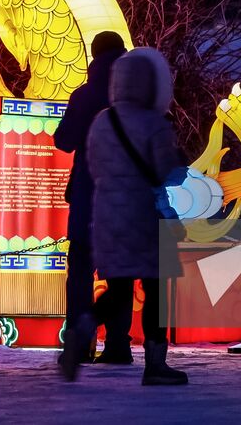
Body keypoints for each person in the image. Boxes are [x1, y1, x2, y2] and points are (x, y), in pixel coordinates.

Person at [61, 47, 189, 386]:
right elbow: (168, 174)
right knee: (155, 290)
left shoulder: (102, 121)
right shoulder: (153, 123)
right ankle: (156, 365)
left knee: (117, 290)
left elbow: (95, 166)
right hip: (147, 217)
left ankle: (84, 327)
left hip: (106, 216)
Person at [53, 31, 132, 365]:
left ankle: (79, 343)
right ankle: (117, 345)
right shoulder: (133, 97)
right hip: (126, 199)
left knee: (81, 273)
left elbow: (64, 141)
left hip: (88, 196)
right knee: (121, 274)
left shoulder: (84, 95)